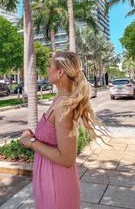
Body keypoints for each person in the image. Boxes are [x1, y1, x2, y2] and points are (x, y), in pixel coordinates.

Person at [20, 51, 102, 209]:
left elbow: (66, 159)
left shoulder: (64, 105)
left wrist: (30, 142)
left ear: (60, 71)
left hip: (56, 185)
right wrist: (34, 136)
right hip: (48, 181)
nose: (47, 70)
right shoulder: (58, 100)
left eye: (50, 66)